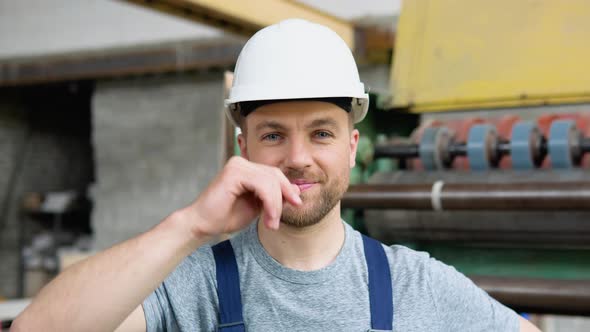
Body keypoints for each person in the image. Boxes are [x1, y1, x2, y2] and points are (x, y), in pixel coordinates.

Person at [12, 19, 541, 332]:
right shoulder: (195, 285)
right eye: (272, 135)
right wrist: (192, 224)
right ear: (242, 147)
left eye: (321, 133)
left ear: (353, 146)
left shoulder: (415, 285)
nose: (298, 157)